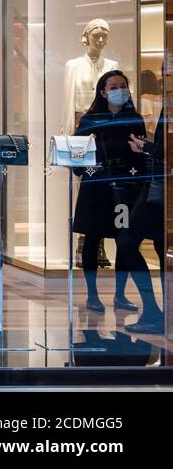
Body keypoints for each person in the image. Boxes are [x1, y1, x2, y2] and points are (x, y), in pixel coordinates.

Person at [73, 71, 145, 314]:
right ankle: (93, 296)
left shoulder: (134, 118)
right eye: (113, 86)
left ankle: (120, 295)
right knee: (93, 238)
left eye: (123, 86)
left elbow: (141, 152)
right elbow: (77, 154)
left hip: (125, 188)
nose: (119, 90)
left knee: (124, 239)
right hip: (96, 188)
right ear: (103, 92)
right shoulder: (90, 120)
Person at [120, 116, 168, 333]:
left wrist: (146, 147)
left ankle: (153, 312)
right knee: (162, 246)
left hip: (161, 188)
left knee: (128, 243)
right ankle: (160, 315)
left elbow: (165, 151)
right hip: (159, 184)